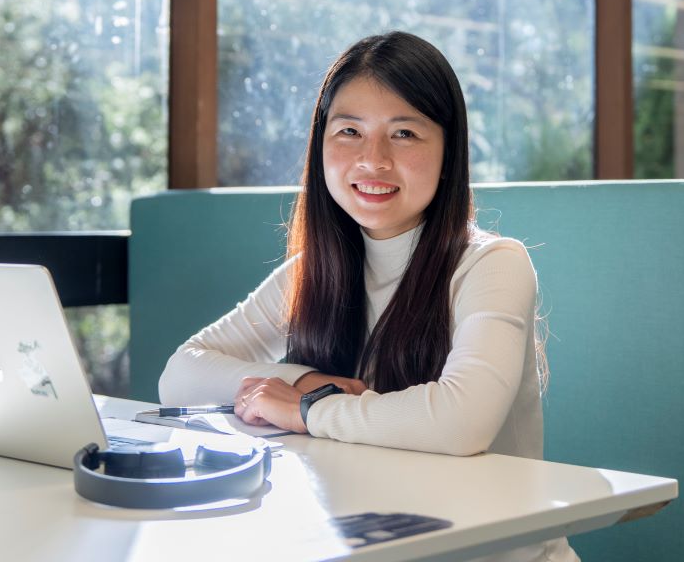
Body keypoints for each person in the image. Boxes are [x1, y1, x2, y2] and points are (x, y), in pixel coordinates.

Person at [158, 32, 577, 562]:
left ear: (449, 152)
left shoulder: (491, 264)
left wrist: (311, 409)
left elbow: (460, 421)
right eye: (349, 131)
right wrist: (307, 383)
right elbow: (181, 374)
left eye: (403, 133)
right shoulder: (315, 271)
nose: (372, 160)